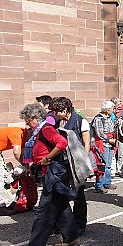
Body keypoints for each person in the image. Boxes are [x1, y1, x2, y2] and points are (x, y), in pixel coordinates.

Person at [13, 104, 79, 246]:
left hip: (53, 173)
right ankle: (72, 238)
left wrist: (47, 158)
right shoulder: (40, 130)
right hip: (51, 173)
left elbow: (61, 143)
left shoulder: (46, 129)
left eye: (28, 121)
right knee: (61, 206)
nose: (27, 124)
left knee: (43, 212)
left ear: (35, 118)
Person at [50, 97, 91, 234]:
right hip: (62, 162)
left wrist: (83, 162)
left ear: (66, 109)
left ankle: (79, 225)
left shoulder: (80, 120)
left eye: (58, 111)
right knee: (61, 193)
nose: (55, 114)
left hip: (77, 162)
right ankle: (62, 223)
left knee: (78, 195)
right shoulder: (58, 121)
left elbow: (86, 143)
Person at [91, 101, 118, 193]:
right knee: (102, 165)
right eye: (112, 108)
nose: (114, 110)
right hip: (102, 144)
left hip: (110, 143)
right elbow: (99, 133)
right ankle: (99, 185)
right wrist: (109, 139)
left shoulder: (109, 118)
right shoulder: (99, 118)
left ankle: (107, 182)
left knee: (109, 165)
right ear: (107, 110)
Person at [111, 97, 123, 177]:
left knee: (121, 153)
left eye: (119, 103)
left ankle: (121, 170)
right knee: (113, 153)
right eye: (117, 103)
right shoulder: (111, 112)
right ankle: (112, 171)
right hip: (113, 134)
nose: (119, 104)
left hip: (121, 134)